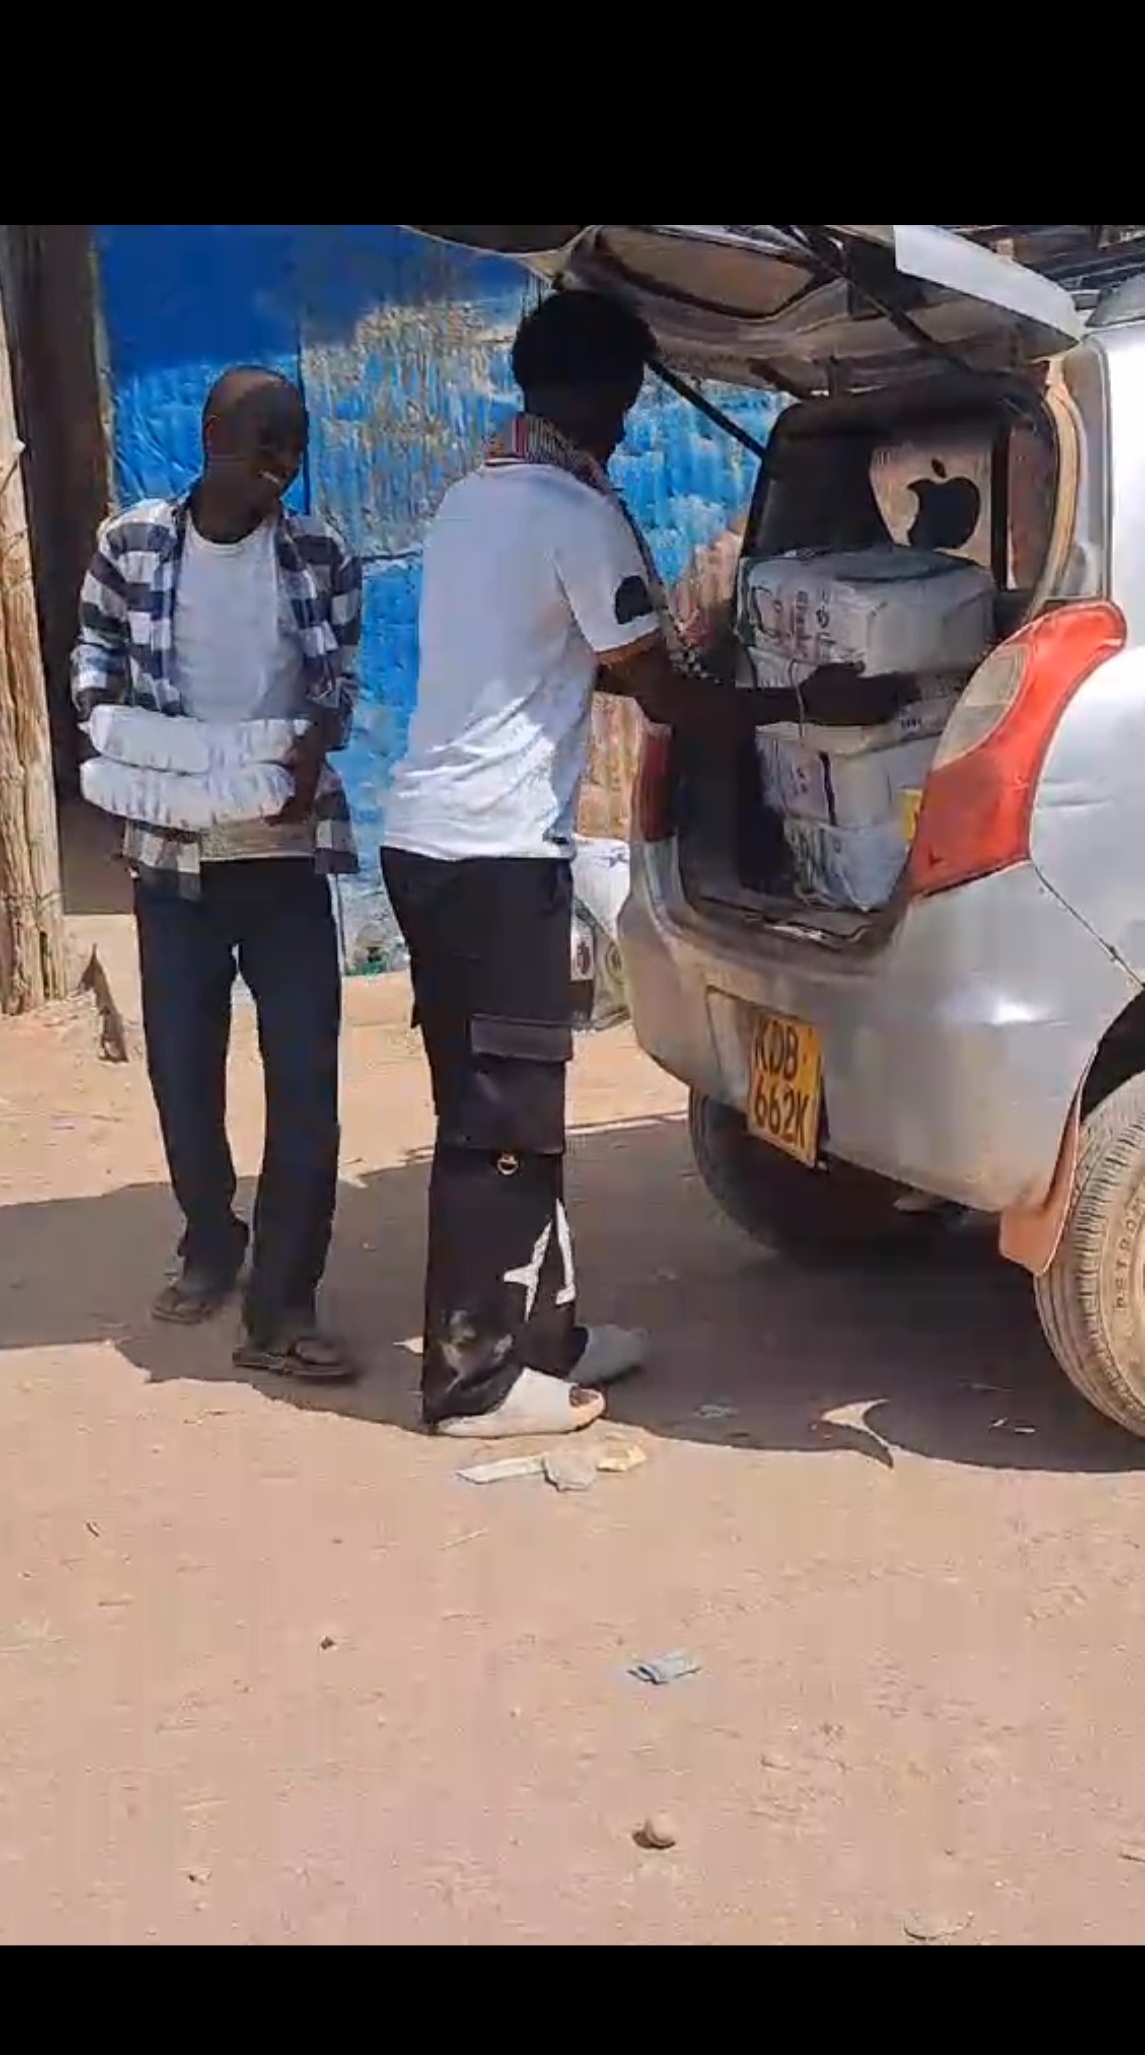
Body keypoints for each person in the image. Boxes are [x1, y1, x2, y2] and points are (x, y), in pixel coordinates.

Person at [382, 290, 859, 1441]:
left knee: (514, 1106)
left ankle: (547, 1336)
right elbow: (663, 693)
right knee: (500, 1122)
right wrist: (807, 704)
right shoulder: (571, 510)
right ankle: (473, 1383)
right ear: (606, 391)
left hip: (437, 840)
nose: (634, 424)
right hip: (490, 849)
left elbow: (567, 660)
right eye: (632, 399)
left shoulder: (475, 495)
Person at [72, 367, 359, 1384]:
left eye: (294, 445)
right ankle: (209, 1236)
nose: (281, 465)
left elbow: (338, 683)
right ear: (210, 437)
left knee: (307, 1083)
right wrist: (136, 753)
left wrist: (316, 746)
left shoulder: (321, 553)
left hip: (283, 857)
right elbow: (94, 660)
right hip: (174, 860)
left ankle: (285, 1299)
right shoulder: (132, 544)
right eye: (263, 443)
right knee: (184, 1074)